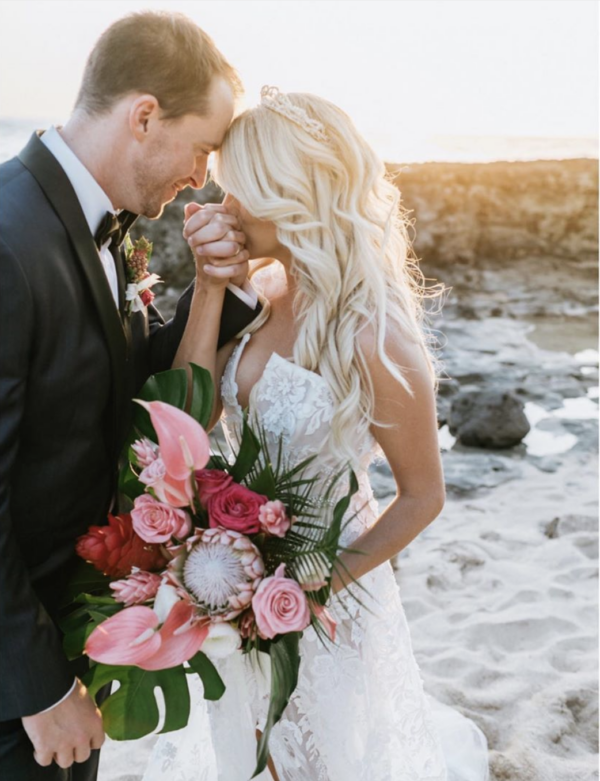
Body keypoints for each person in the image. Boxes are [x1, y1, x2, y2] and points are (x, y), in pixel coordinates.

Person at [142, 88, 490, 780]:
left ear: (290, 193)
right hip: (228, 575)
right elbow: (189, 417)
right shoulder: (260, 293)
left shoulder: (374, 329)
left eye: (240, 191)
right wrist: (210, 287)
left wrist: (309, 584)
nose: (224, 206)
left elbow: (423, 496)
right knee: (241, 753)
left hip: (325, 594)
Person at [0, 11, 263, 780]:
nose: (201, 176)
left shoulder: (102, 228)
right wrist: (35, 683)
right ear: (145, 115)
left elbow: (123, 382)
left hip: (71, 637)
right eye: (201, 147)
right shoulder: (9, 241)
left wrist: (220, 292)